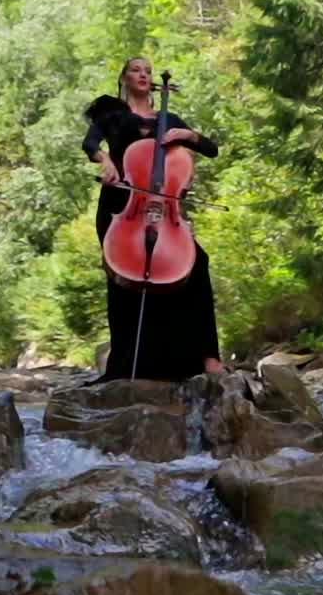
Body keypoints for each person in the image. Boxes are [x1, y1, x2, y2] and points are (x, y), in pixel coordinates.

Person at [82, 56, 225, 380]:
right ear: (124, 78)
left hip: (164, 210)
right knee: (123, 281)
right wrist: (105, 160)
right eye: (136, 70)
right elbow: (90, 142)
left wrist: (187, 137)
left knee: (195, 264)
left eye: (148, 71)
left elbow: (211, 149)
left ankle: (206, 358)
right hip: (121, 205)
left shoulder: (168, 119)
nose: (143, 74)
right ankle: (124, 364)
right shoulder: (111, 113)